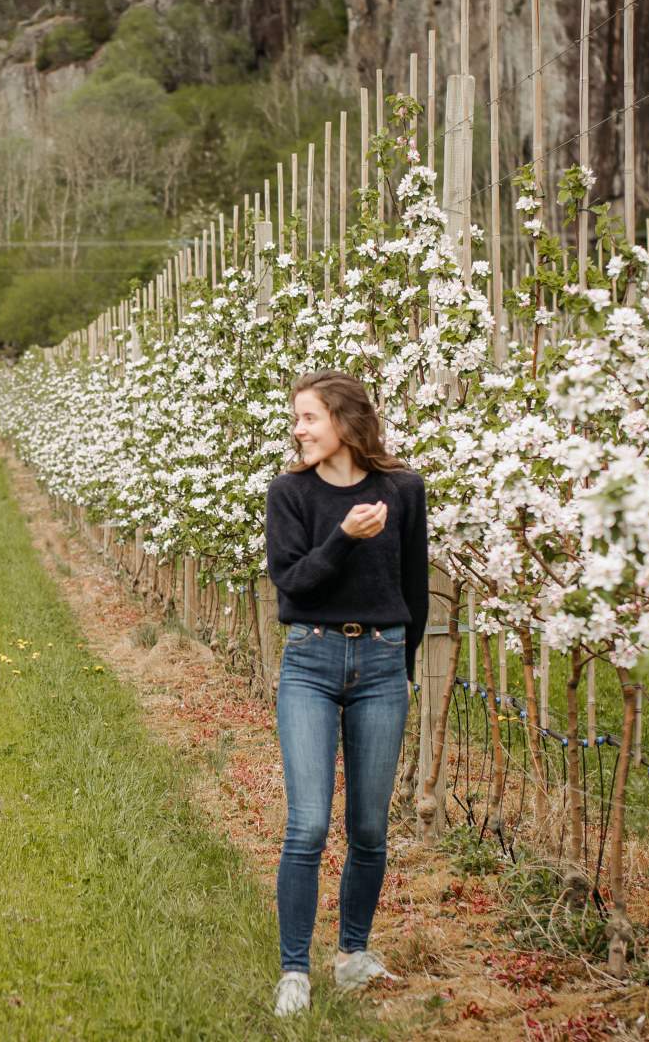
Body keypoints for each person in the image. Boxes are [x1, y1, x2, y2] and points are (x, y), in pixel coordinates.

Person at [262, 370, 428, 1018]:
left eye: (308, 417)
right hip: (310, 659)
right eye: (297, 418)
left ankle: (353, 954)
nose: (298, 429)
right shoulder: (290, 494)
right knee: (307, 824)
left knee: (368, 826)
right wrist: (342, 538)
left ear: (344, 422)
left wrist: (402, 668)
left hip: (383, 665)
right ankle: (295, 971)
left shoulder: (402, 491)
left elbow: (413, 589)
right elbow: (294, 584)